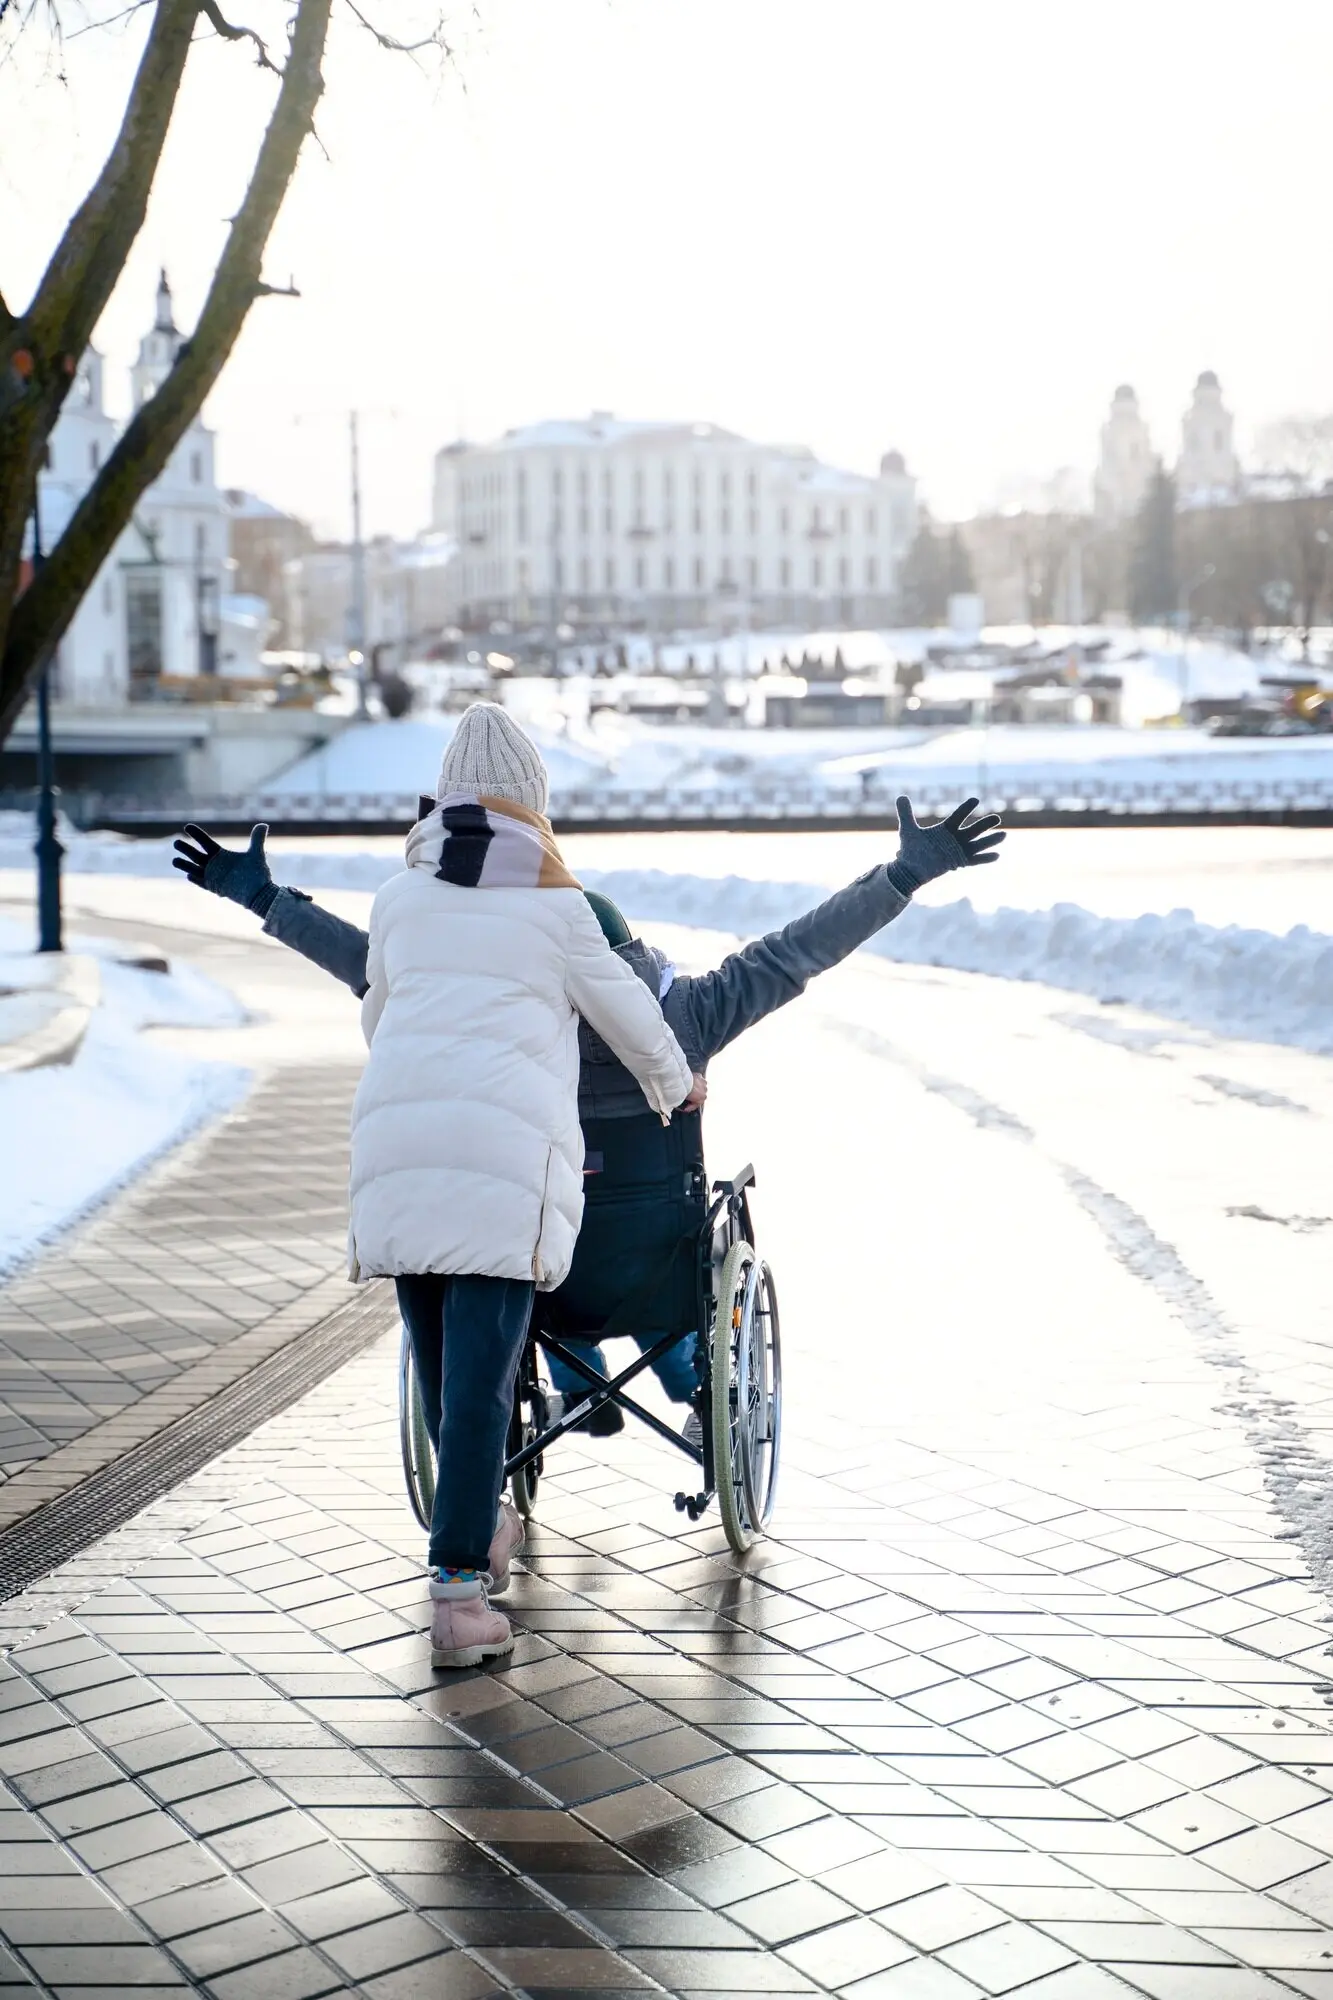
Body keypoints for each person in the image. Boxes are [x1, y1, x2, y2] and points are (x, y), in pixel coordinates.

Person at [176, 792, 1005, 1440]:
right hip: (649, 1264)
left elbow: (363, 963)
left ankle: (574, 1381)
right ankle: (689, 1386)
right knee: (659, 1260)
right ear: (635, 957)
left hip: (529, 1261)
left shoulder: (502, 1013)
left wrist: (263, 898)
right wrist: (900, 877)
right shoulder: (691, 1014)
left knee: (551, 1249)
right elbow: (796, 950)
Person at [220, 703, 694, 1669]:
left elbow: (379, 1015)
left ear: (440, 802)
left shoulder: (402, 898)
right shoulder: (558, 908)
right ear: (533, 809)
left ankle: (476, 1539)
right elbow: (638, 1023)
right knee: (481, 1387)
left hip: (396, 1155)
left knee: (445, 1378)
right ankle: (458, 1601)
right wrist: (674, 1088)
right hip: (500, 1169)